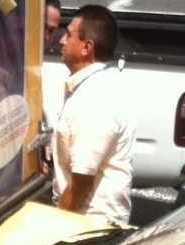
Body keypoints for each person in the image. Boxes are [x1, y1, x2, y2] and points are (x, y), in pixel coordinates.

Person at [52, 4, 136, 227]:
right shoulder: (95, 86)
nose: (61, 40)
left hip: (89, 225)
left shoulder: (95, 98)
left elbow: (81, 183)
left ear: (87, 47)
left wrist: (52, 225)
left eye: (69, 35)